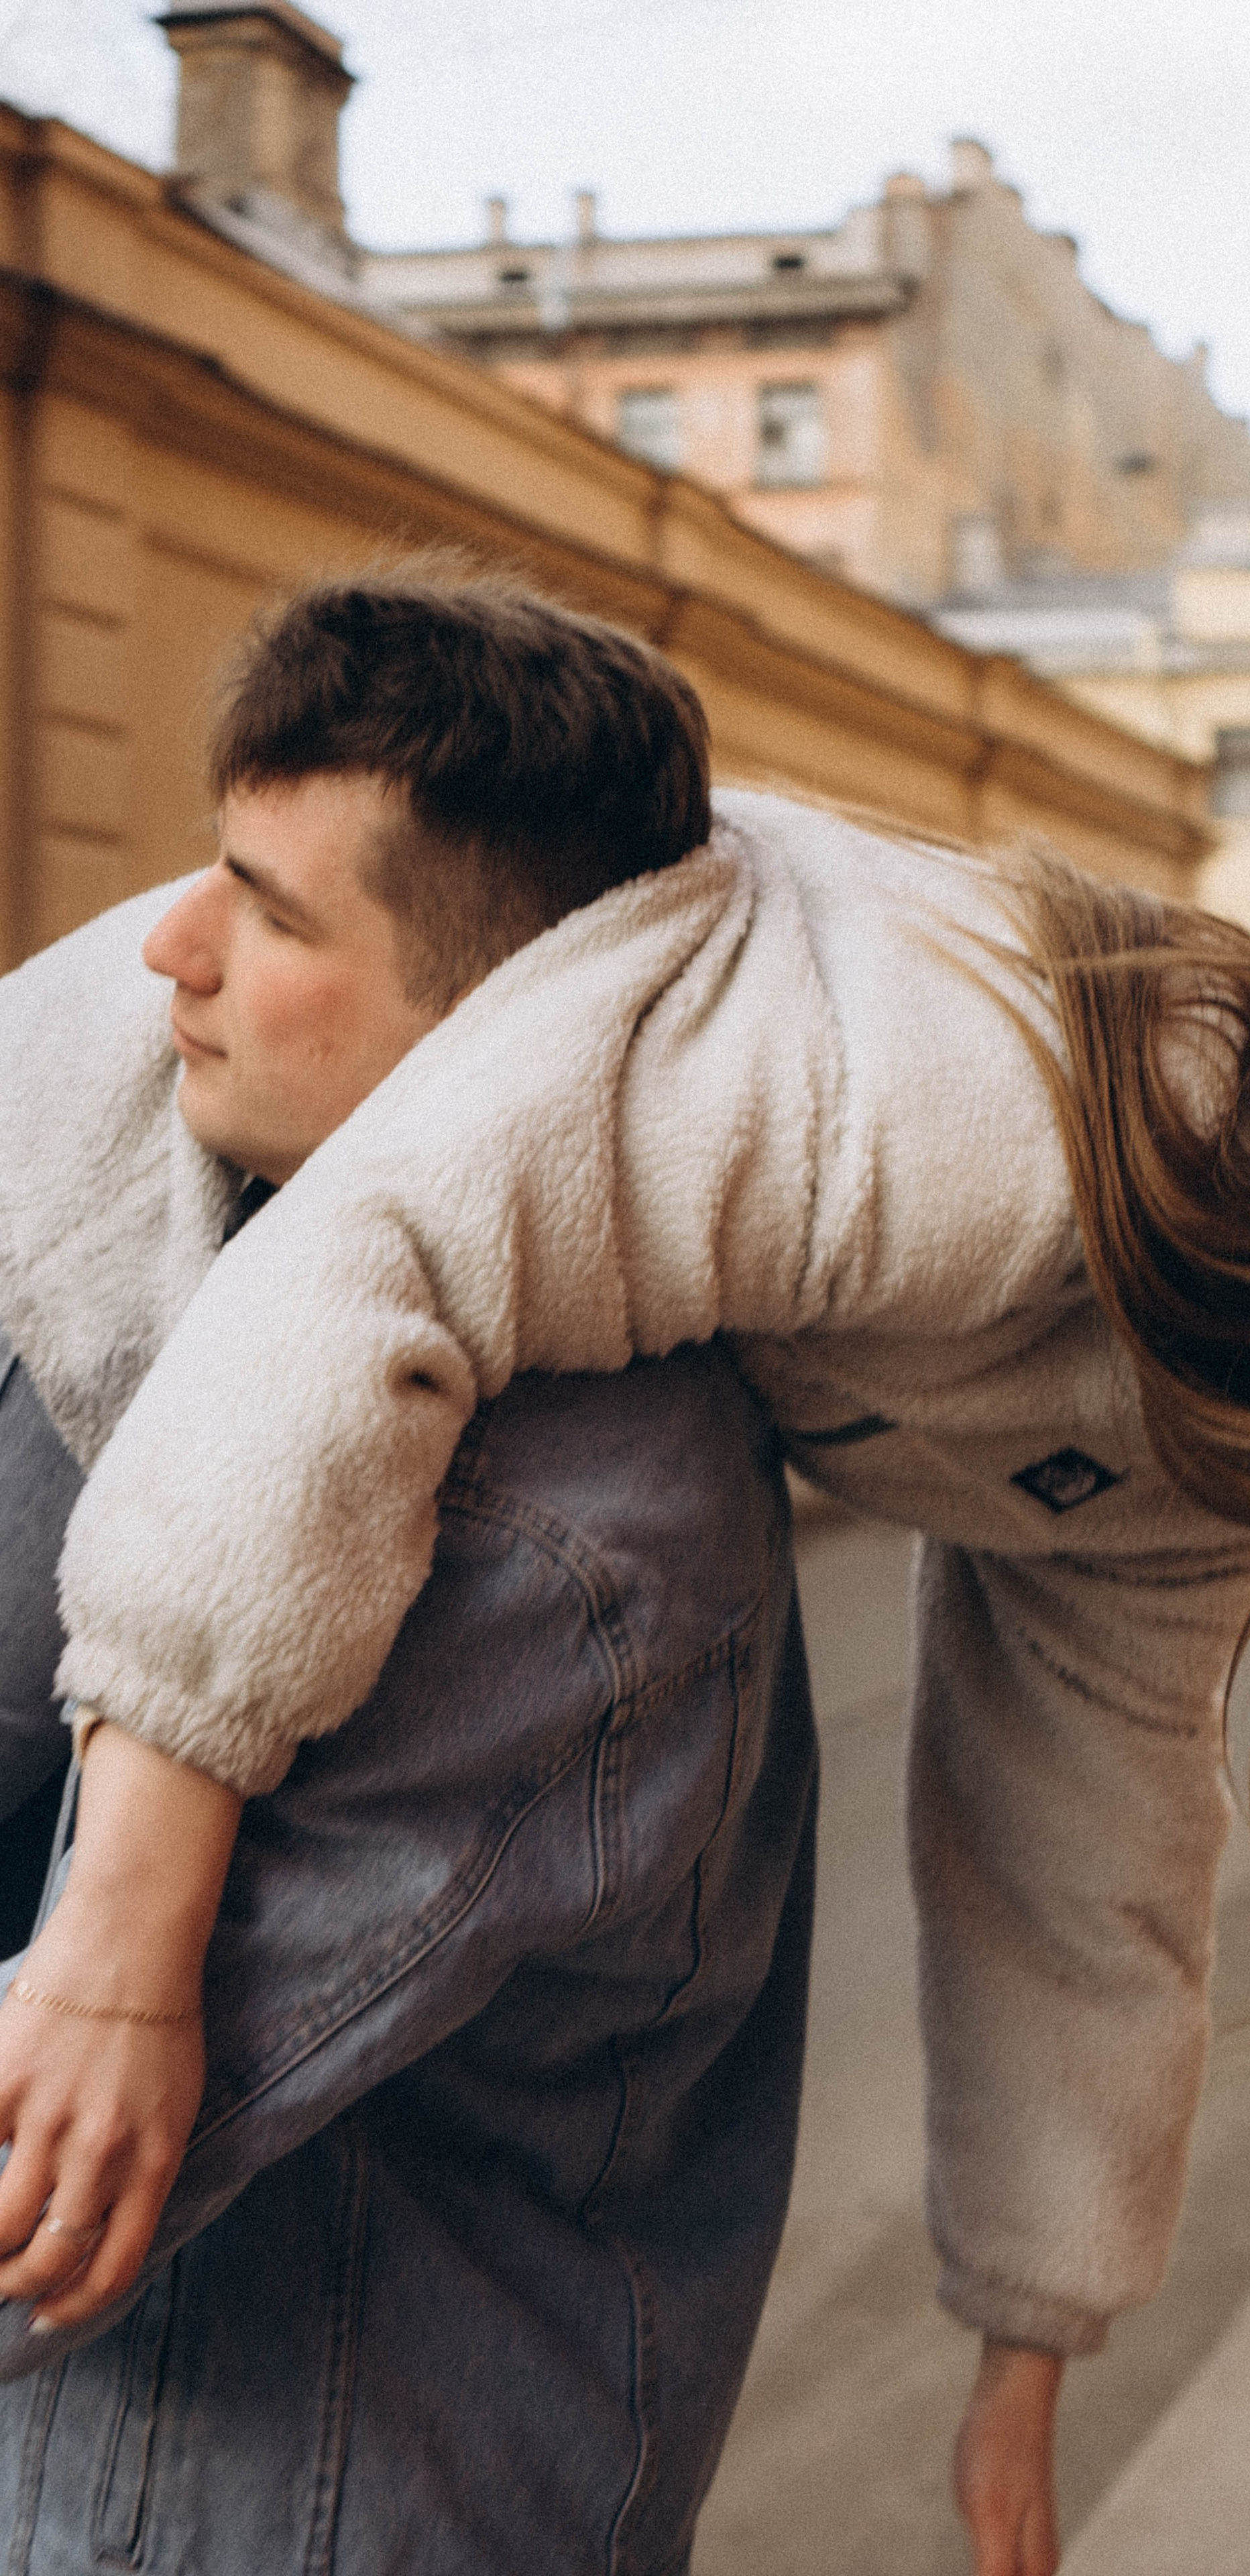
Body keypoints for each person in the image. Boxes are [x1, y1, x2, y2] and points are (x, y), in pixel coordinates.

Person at [11, 559, 1250, 2559]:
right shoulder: (973, 1104)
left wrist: (1032, 2335)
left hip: (260, 1286)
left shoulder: (1208, 1371)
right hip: (93, 1211)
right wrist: (127, 1947)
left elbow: (1088, 1818)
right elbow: (377, 1255)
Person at [0, 605, 818, 2571]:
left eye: (273, 919)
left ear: (496, 1045)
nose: (168, 949)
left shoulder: (563, 1531)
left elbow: (45, 2196)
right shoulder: (190, 1269)